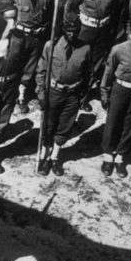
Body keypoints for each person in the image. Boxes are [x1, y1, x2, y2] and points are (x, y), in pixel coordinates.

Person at [36, 12, 91, 176]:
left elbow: (88, 75)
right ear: (63, 29)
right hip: (53, 92)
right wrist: (41, 93)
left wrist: (83, 96)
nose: (72, 34)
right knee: (49, 125)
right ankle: (45, 155)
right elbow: (41, 72)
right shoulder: (50, 46)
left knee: (64, 127)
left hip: (72, 94)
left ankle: (54, 158)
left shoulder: (86, 49)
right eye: (68, 30)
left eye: (75, 31)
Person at [99, 12, 131, 178]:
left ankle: (120, 156)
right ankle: (108, 156)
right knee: (113, 123)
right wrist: (104, 95)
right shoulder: (119, 49)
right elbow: (108, 74)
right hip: (120, 90)